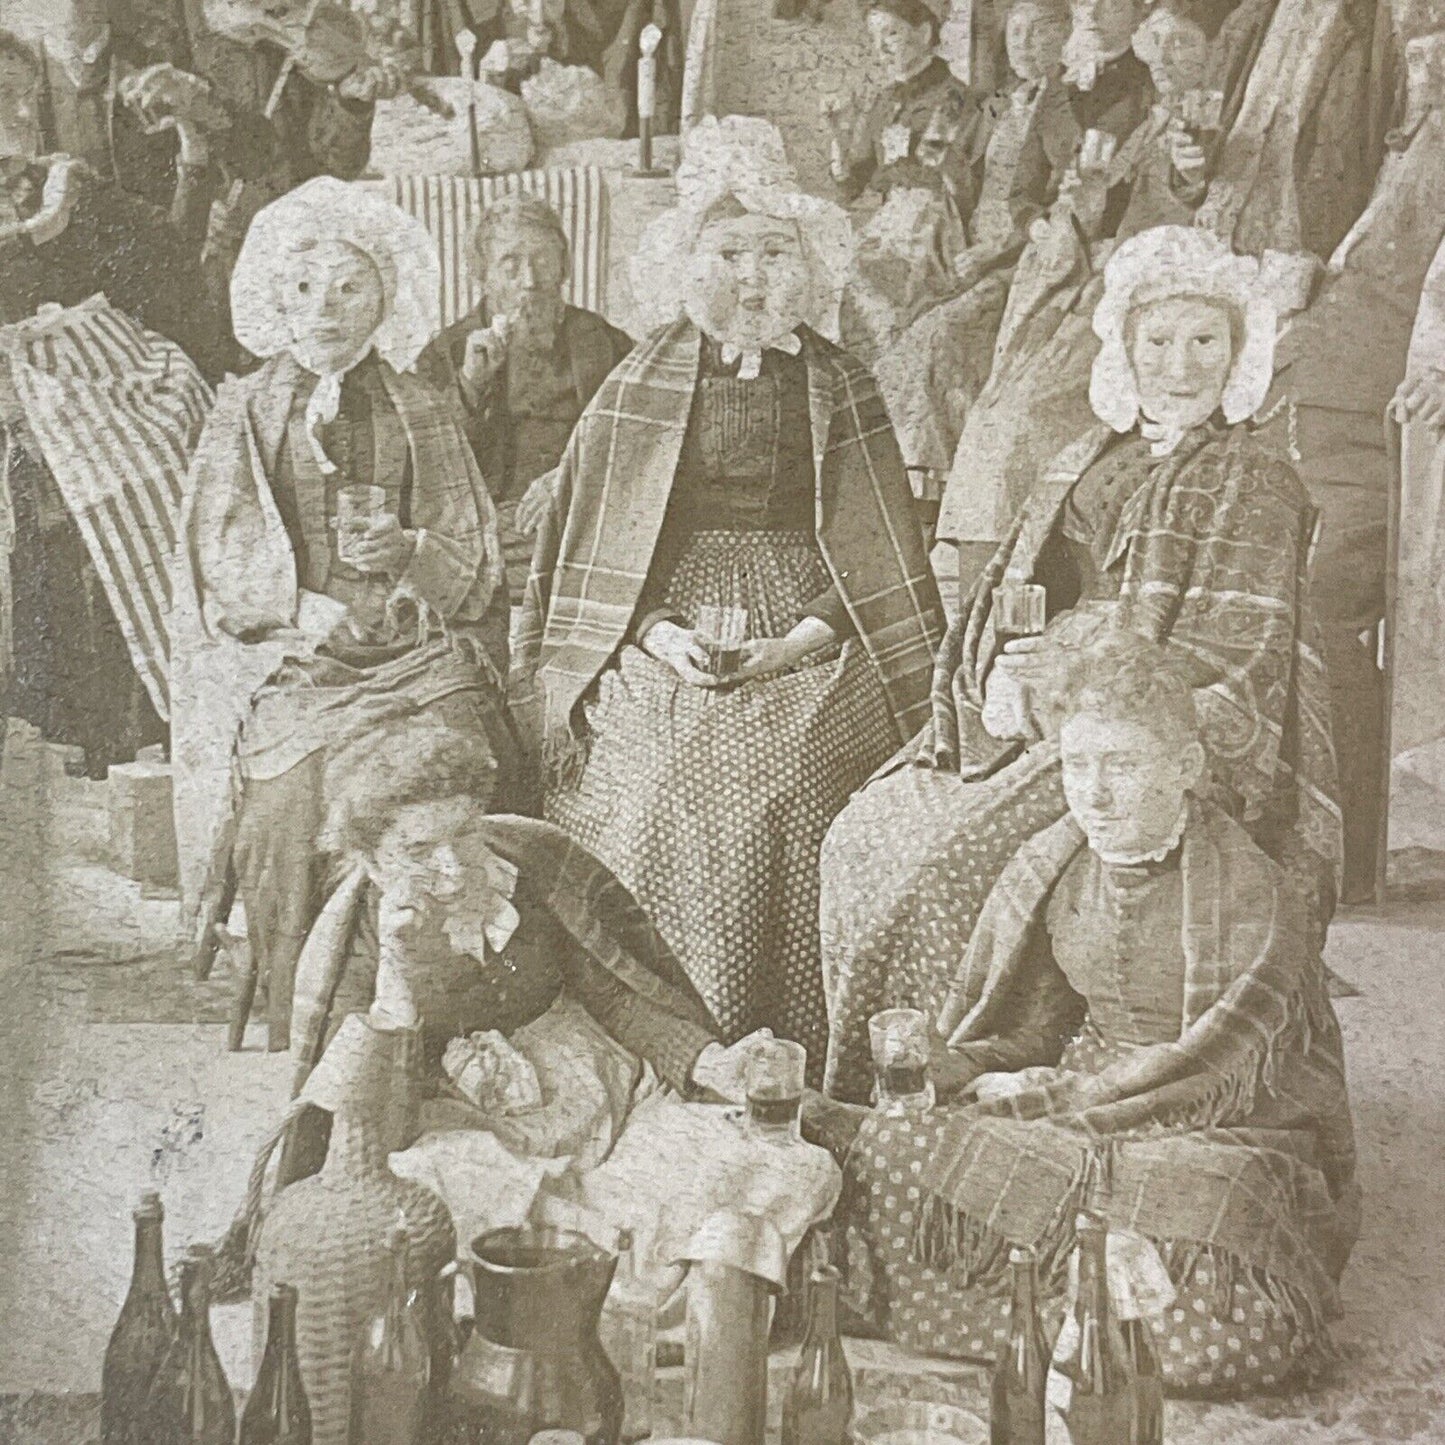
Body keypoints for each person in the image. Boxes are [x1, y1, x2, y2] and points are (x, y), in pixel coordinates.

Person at [817, 225, 1341, 1103]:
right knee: (862, 831)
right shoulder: (1085, 453)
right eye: (1159, 341)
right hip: (1042, 697)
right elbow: (1013, 591)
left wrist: (1069, 687)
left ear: (1240, 348)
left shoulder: (1255, 476)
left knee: (934, 866)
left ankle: (951, 1072)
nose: (1181, 366)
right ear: (1125, 348)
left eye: (1205, 341)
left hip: (1137, 724)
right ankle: (880, 1085)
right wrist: (998, 668)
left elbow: (1228, 655)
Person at [804, 633, 1359, 1393]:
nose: (1091, 793)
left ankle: (1026, 1299)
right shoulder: (1053, 863)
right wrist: (963, 1064)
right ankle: (1084, 1314)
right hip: (1086, 1106)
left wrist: (1053, 1100)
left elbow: (1222, 1069)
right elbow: (1037, 1028)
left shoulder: (1252, 889)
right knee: (901, 1146)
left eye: (1121, 765)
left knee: (1219, 1240)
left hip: (1226, 1120)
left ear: (1184, 769)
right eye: (1075, 764)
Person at [513, 179, 945, 1081]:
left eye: (774, 253)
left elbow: (871, 557)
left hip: (817, 627)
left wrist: (791, 645)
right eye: (730, 254)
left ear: (809, 264)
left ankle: (789, 1038)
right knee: (654, 768)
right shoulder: (639, 380)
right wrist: (662, 635)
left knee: (792, 774)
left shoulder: (840, 382)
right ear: (688, 262)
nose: (752, 278)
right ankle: (670, 1035)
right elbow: (606, 544)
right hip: (663, 620)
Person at [214, 718, 840, 1298]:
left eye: (464, 831)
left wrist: (706, 1064)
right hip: (469, 1124)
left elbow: (618, 994)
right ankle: (609, 1291)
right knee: (427, 1193)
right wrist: (397, 979)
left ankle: (645, 1284)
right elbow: (373, 1127)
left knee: (776, 1158)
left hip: (601, 1094)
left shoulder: (533, 861)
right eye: (418, 848)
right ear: (372, 858)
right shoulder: (352, 944)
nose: (453, 866)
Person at [171, 177, 527, 1053]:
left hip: (414, 648)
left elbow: (471, 554)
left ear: (383, 297)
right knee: (290, 802)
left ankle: (463, 989)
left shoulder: (422, 404)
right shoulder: (242, 410)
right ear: (272, 296)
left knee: (469, 753)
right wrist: (299, 606)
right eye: (303, 289)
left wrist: (408, 552)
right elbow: (217, 550)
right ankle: (322, 1011)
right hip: (295, 655)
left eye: (347, 289)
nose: (324, 310)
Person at [0, 27, 218, 777]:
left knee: (156, 459)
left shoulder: (64, 187)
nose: (12, 113)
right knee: (53, 501)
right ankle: (52, 728)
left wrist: (193, 154)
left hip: (83, 398)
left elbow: (165, 255)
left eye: (18, 95)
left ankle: (135, 736)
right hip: (17, 410)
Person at [418, 194, 632, 607]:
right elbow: (426, 465)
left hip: (580, 522)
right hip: (483, 533)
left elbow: (644, 434)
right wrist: (468, 386)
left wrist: (567, 477)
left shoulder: (605, 342)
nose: (530, 280)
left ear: (565, 267)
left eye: (543, 260)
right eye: (510, 264)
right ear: (482, 274)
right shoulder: (445, 352)